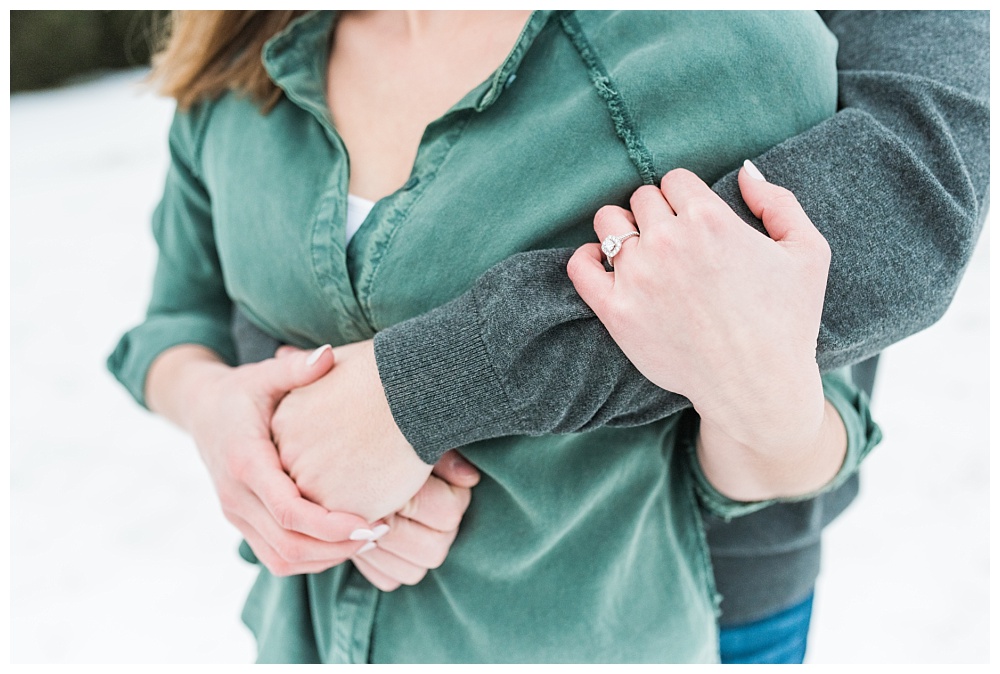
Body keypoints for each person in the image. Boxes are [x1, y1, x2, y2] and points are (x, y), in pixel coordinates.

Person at [101, 10, 962, 663]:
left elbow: (794, 408)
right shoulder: (236, 66)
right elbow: (177, 320)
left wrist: (410, 399)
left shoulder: (709, 51)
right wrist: (223, 414)